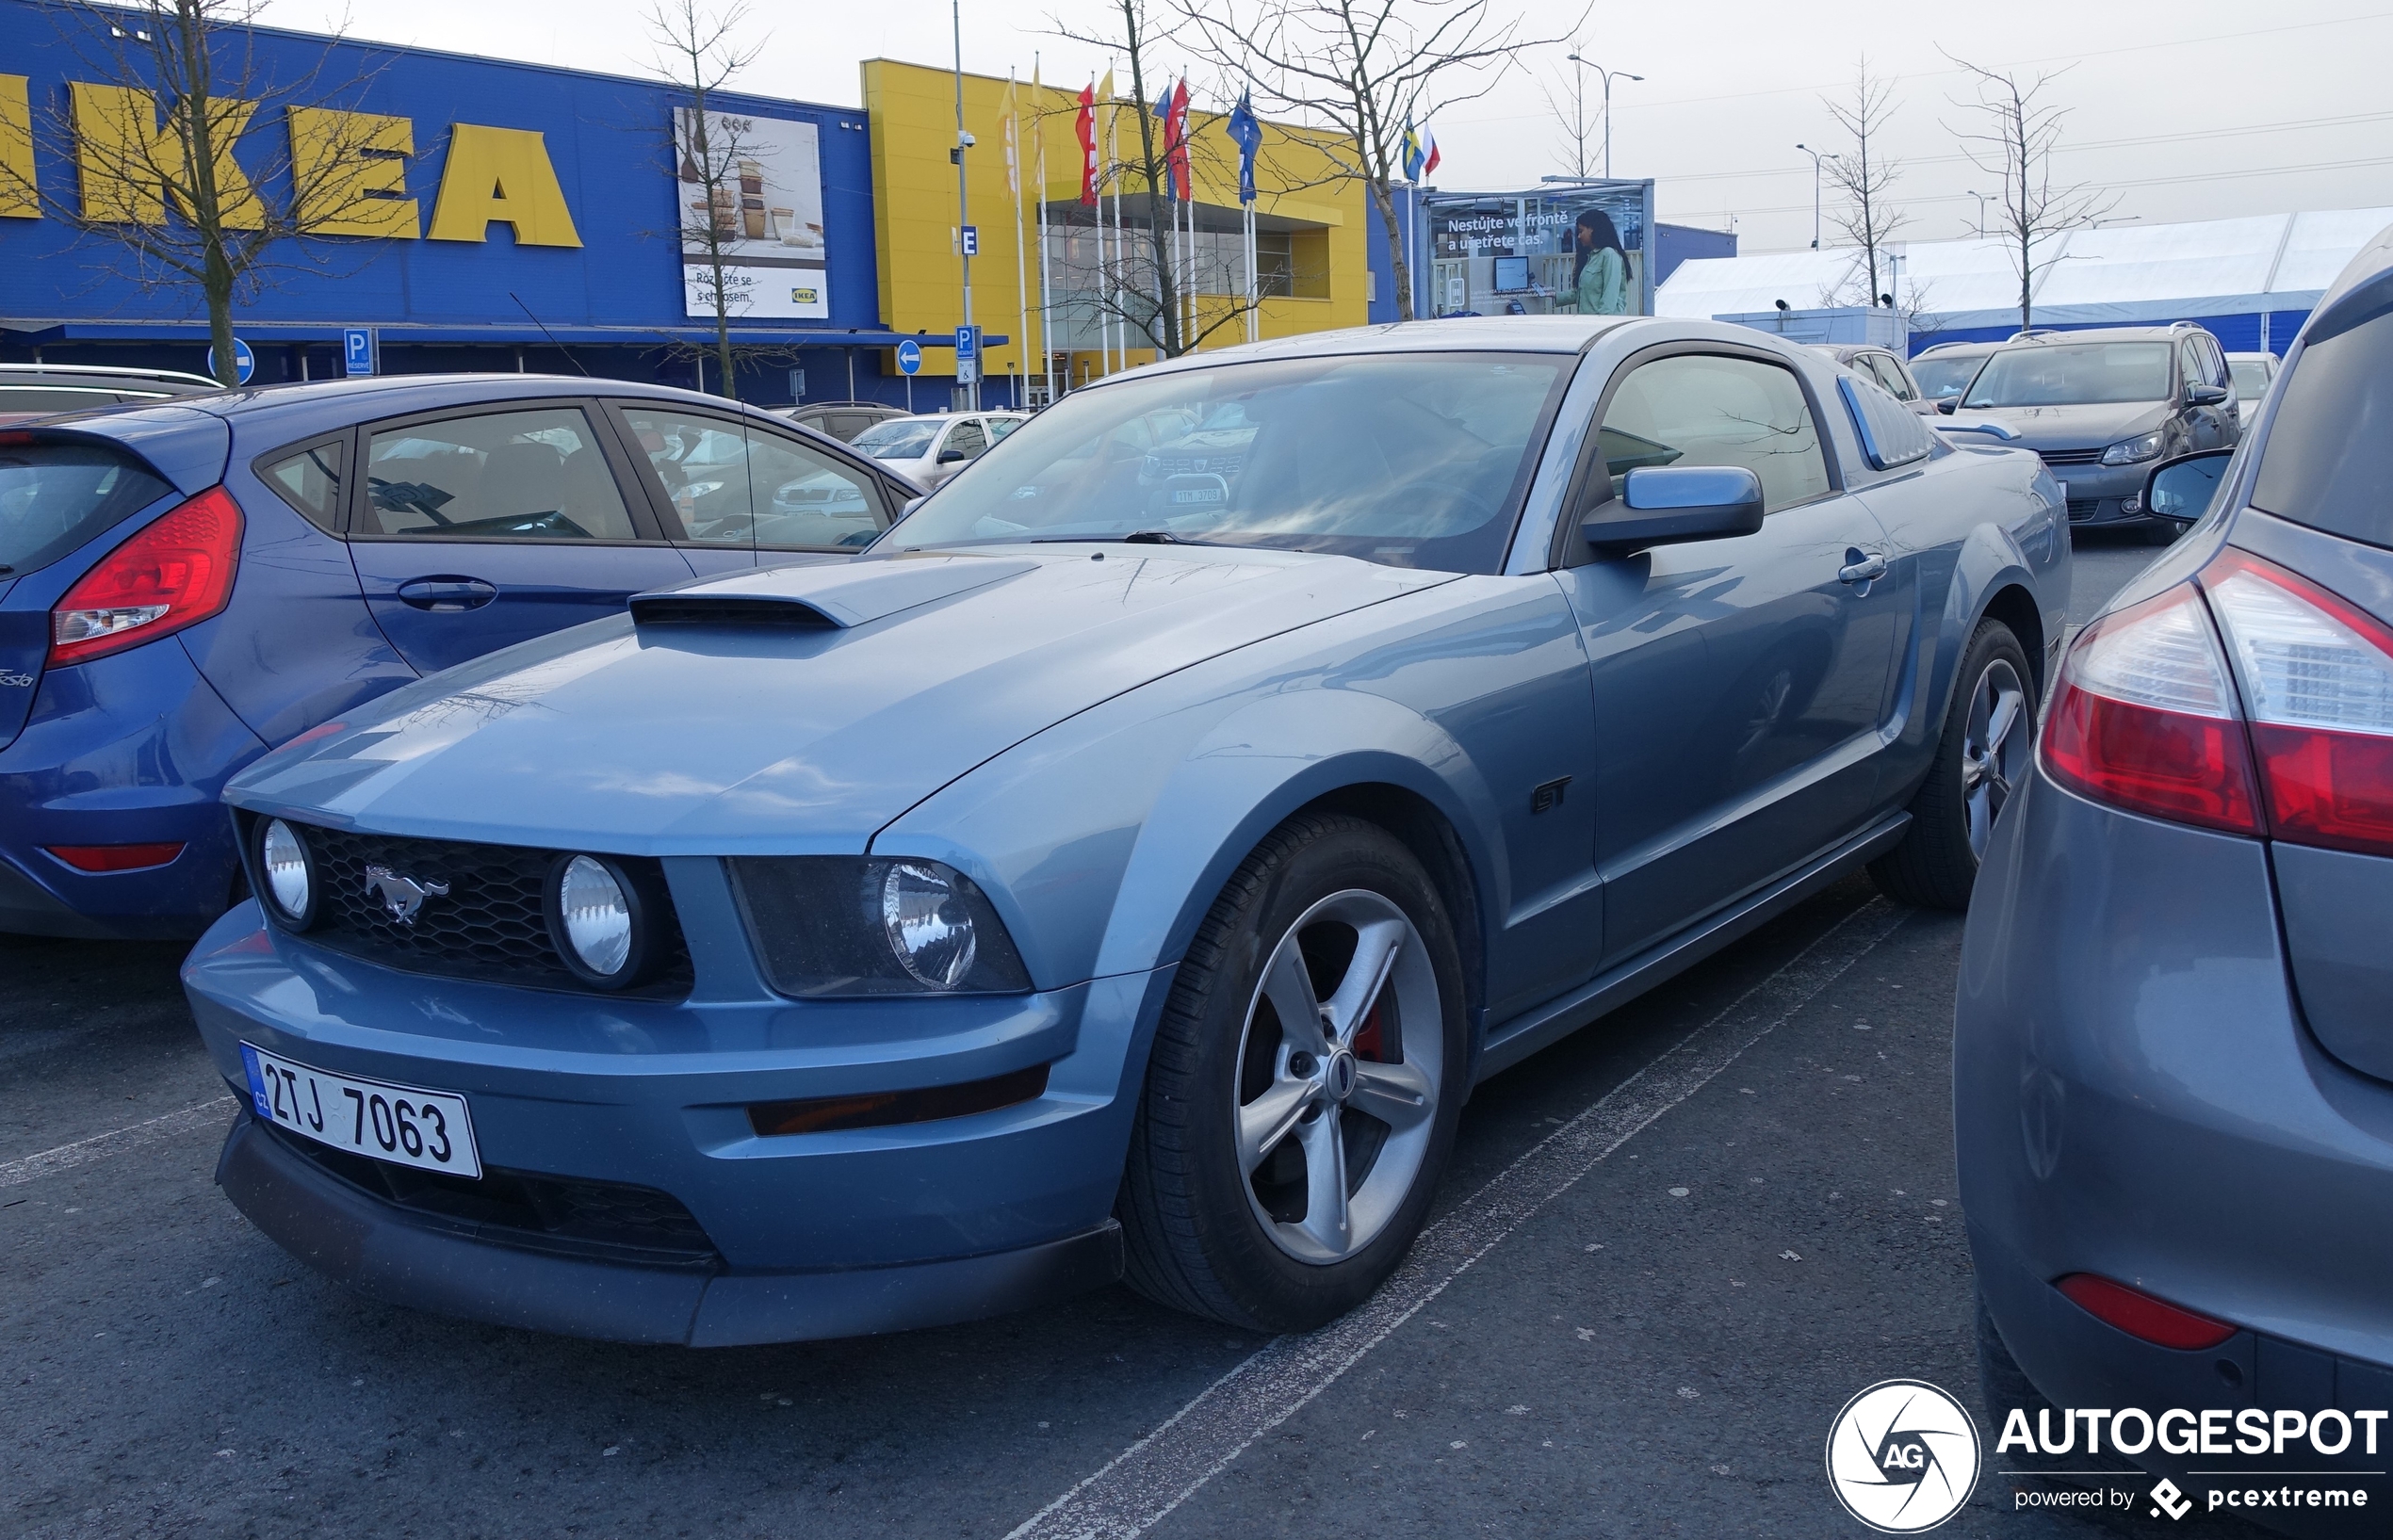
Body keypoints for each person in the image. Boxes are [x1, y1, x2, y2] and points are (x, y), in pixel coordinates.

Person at [1566, 208, 1631, 316]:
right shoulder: (1591, 257)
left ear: (1592, 229)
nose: (1579, 236)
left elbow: (1609, 297)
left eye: (1581, 231)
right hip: (1589, 322)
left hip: (1601, 324)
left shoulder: (1609, 255)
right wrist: (1552, 295)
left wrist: (1601, 322)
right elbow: (1582, 293)